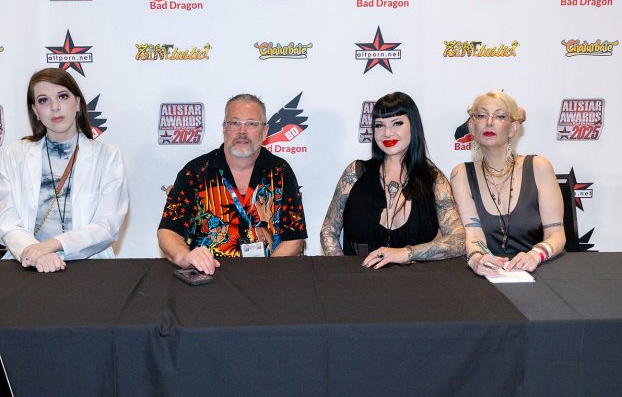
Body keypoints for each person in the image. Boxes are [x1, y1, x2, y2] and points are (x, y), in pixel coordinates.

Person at [0, 68, 129, 273]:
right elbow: (6, 220)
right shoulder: (13, 155)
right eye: (44, 100)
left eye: (62, 96)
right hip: (28, 264)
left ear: (77, 103)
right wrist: (34, 252)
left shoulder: (108, 156)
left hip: (88, 265)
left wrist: (52, 245)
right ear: (35, 111)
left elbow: (107, 226)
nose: (55, 107)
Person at [158, 94, 307, 274]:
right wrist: (184, 257)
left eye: (251, 124)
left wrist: (267, 274)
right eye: (235, 123)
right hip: (209, 276)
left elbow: (294, 237)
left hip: (269, 275)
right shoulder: (195, 172)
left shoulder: (281, 172)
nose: (242, 131)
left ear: (265, 131)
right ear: (224, 128)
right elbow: (168, 231)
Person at [320, 91, 464, 267]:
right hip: (357, 278)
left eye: (397, 123)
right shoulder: (355, 173)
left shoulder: (434, 180)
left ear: (413, 126)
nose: (387, 133)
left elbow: (459, 240)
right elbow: (328, 231)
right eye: (379, 125)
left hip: (416, 280)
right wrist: (342, 271)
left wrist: (406, 253)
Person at [450, 90, 566, 276]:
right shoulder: (461, 174)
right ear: (472, 126)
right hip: (490, 276)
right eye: (482, 115)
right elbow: (473, 235)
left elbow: (556, 234)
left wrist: (535, 256)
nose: (489, 122)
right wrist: (477, 259)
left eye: (500, 116)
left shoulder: (539, 167)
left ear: (513, 128)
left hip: (540, 272)